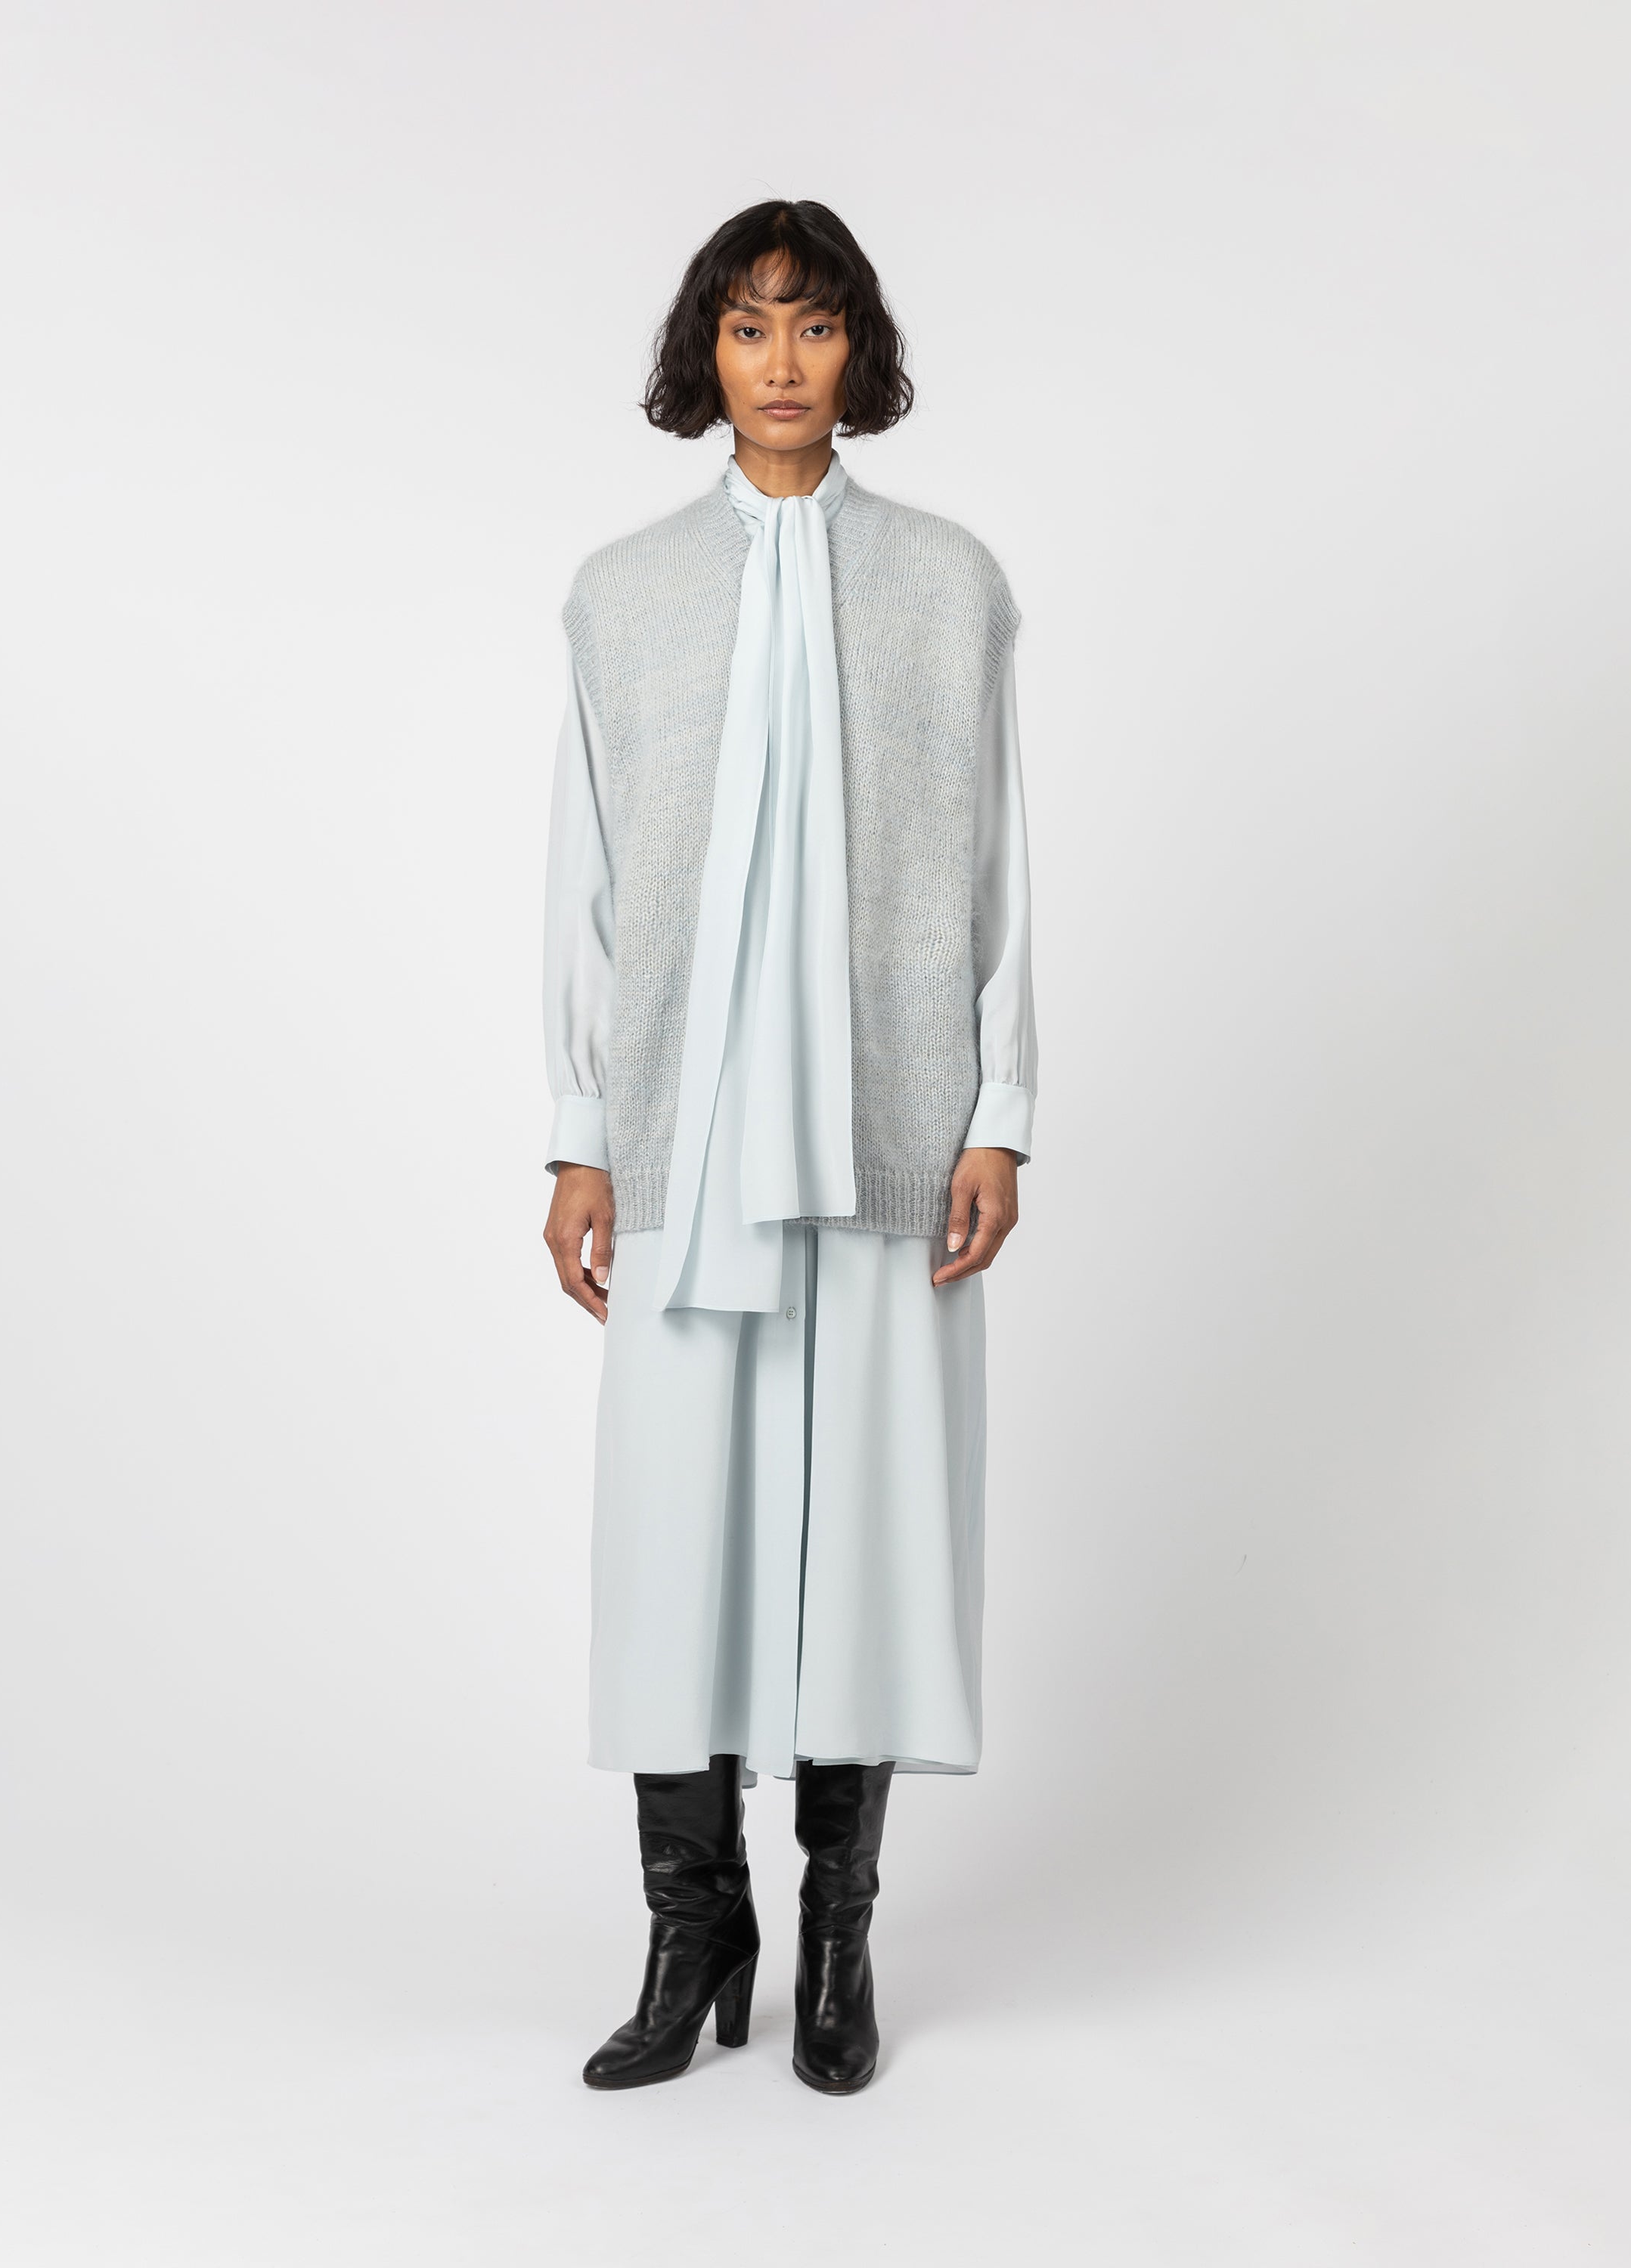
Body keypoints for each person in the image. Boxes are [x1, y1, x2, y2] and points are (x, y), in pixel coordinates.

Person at [540, 199, 1036, 2093]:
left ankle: (837, 1938)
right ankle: (695, 1929)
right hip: (687, 1137)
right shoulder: (622, 596)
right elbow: (588, 882)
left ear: (858, 351)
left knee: (870, 1538)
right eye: (748, 327)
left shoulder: (950, 586)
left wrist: (999, 1112)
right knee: (678, 1535)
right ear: (706, 351)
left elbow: (998, 865)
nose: (780, 361)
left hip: (887, 1130)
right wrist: (583, 1135)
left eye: (813, 325)